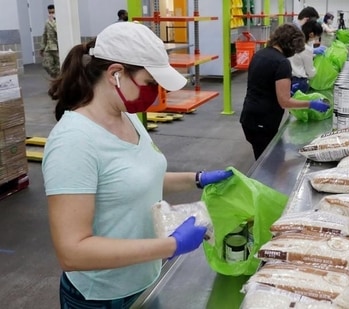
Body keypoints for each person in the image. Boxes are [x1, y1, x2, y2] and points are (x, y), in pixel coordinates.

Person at [42, 22, 233, 307]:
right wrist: (171, 245)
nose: (154, 93)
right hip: (104, 296)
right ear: (116, 74)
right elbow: (72, 251)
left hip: (145, 276)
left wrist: (198, 178)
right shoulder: (74, 142)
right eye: (150, 83)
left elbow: (136, 178)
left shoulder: (126, 116)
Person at [240, 23, 330, 160]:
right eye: (295, 49)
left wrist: (287, 89)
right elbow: (284, 102)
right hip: (263, 121)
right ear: (290, 44)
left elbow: (262, 83)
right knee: (270, 164)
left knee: (262, 157)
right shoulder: (282, 63)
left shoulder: (260, 54)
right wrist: (311, 104)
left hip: (249, 117)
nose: (294, 53)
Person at [289, 19, 323, 94]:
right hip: (299, 82)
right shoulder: (306, 49)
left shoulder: (292, 42)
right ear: (311, 34)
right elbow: (310, 73)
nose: (316, 39)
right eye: (317, 37)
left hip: (287, 80)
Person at [40, 4, 59, 78]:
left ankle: (59, 80)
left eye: (53, 12)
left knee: (59, 65)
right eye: (50, 12)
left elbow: (59, 32)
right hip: (49, 47)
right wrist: (42, 48)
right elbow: (44, 34)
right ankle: (56, 77)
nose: (51, 14)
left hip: (57, 47)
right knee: (46, 65)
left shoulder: (59, 21)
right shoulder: (47, 22)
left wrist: (53, 22)